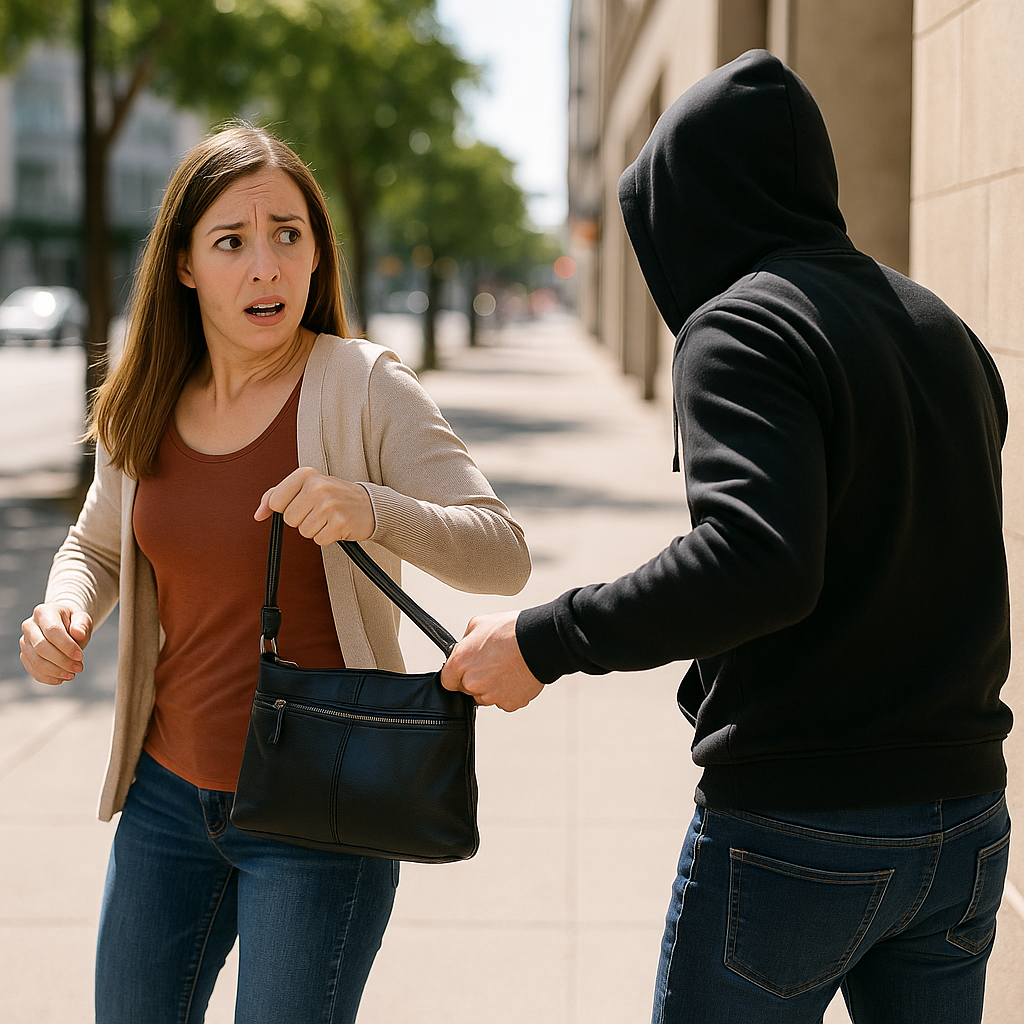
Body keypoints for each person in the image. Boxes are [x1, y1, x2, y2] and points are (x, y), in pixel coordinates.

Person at [441, 49, 1012, 1024]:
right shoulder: (942, 328)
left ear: (687, 204)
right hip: (963, 821)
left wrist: (542, 640)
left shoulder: (741, 326)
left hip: (799, 828)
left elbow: (757, 561)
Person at [20, 123, 531, 1024]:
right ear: (184, 265)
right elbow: (95, 548)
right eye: (232, 241)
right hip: (164, 800)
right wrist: (65, 612)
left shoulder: (362, 385)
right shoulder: (144, 395)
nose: (267, 266)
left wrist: (372, 508)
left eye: (288, 234)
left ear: (317, 251)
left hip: (322, 811)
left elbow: (502, 552)